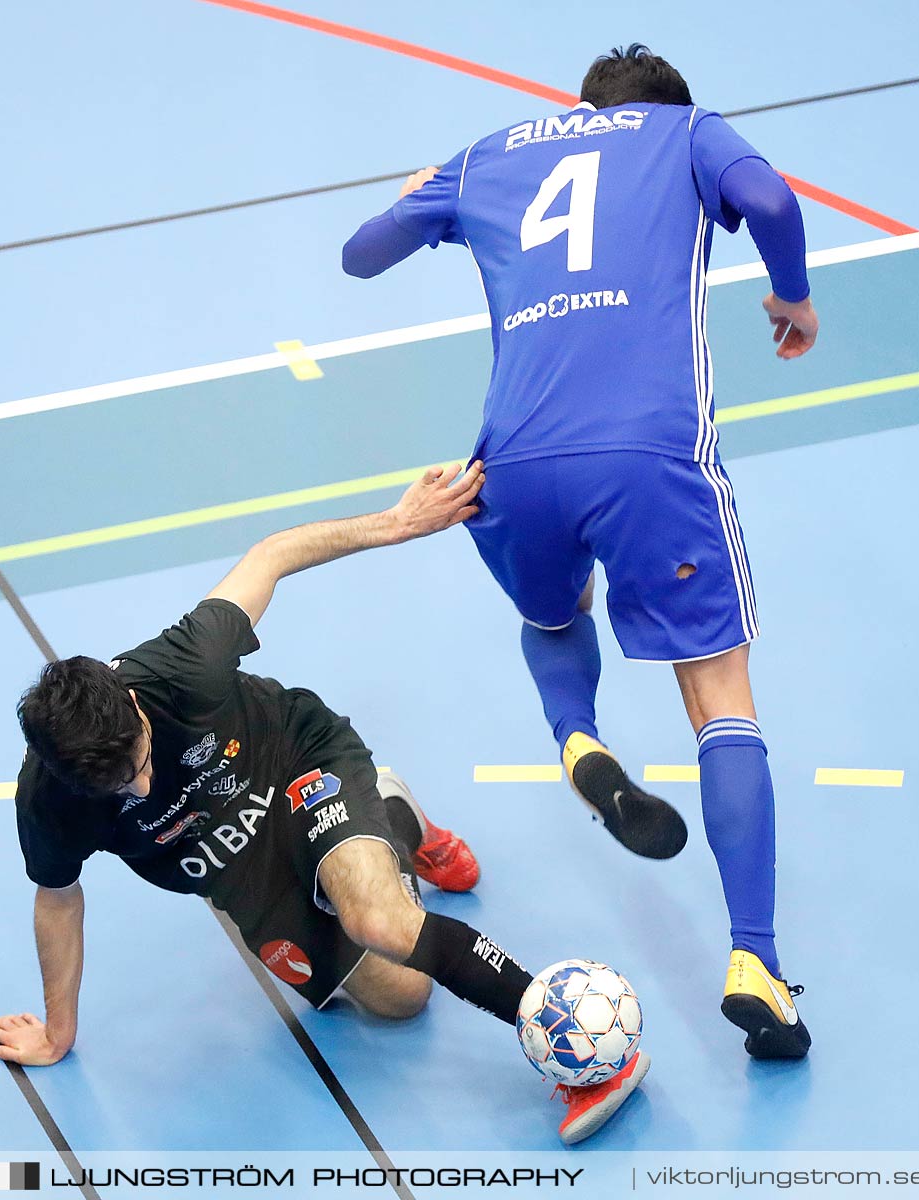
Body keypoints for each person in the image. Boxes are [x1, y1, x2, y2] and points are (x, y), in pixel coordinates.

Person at [342, 45, 819, 1056]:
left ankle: (575, 737)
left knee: (552, 611)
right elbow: (770, 202)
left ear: (582, 109)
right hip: (649, 458)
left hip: (512, 463)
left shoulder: (489, 154)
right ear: (662, 110)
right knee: (719, 698)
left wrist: (415, 200)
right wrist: (791, 296)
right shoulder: (686, 133)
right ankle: (756, 964)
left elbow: (360, 254)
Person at [0, 463, 648, 1144]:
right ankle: (397, 819)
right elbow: (57, 898)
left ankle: (575, 1049)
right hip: (230, 863)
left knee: (381, 921)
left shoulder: (184, 666)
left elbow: (269, 555)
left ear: (131, 704)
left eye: (141, 762)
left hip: (295, 765)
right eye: (119, 789)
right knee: (400, 999)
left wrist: (395, 523)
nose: (142, 790)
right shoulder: (47, 799)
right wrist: (57, 1033)